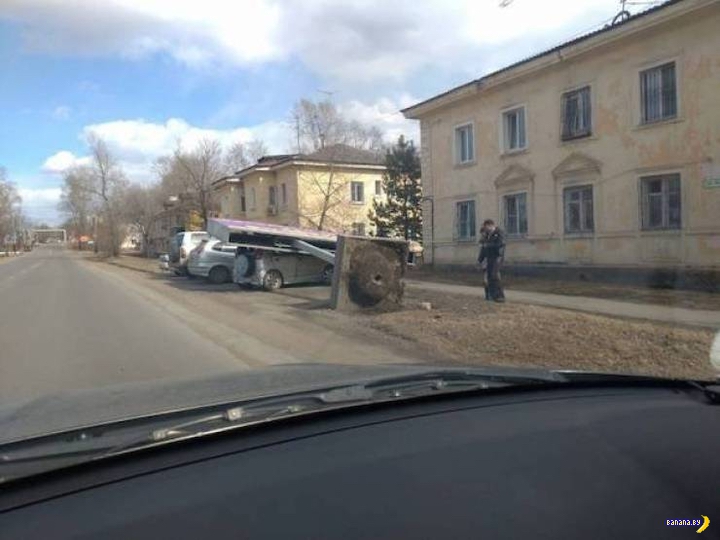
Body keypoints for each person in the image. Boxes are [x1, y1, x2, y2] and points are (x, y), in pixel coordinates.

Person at [477, 219, 506, 302]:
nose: (486, 229)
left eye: (487, 227)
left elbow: (500, 244)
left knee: (494, 276)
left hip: (497, 257)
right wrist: (480, 260)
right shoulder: (487, 235)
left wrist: (488, 245)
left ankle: (499, 296)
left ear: (491, 225)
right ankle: (493, 296)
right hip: (489, 258)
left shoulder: (499, 233)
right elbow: (483, 249)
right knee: (489, 277)